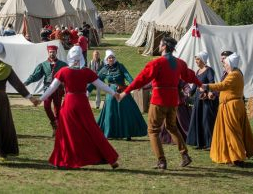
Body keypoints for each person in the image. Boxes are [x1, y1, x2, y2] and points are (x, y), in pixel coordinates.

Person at [119, 37, 202, 169]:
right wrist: (200, 85)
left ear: (163, 47)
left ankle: (161, 161)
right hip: (173, 101)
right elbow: (190, 76)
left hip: (159, 101)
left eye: (160, 44)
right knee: (172, 127)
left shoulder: (157, 63)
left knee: (153, 130)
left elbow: (141, 78)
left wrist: (126, 92)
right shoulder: (180, 63)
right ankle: (185, 155)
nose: (159, 45)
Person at [36, 46, 119, 169]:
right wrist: (114, 93)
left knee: (67, 133)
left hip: (69, 104)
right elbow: (101, 85)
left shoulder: (64, 71)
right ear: (81, 56)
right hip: (82, 104)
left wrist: (40, 99)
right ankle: (110, 159)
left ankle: (63, 160)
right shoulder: (86, 71)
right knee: (92, 130)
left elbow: (52, 88)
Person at [200, 53, 253, 167]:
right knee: (228, 132)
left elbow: (223, 85)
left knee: (232, 132)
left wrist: (207, 86)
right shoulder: (233, 73)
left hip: (232, 107)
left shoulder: (234, 75)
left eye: (226, 63)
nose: (225, 65)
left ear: (231, 64)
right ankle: (231, 156)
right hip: (228, 106)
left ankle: (237, 157)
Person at [88, 50, 147, 140]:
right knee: (110, 113)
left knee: (126, 113)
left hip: (123, 93)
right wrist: (87, 89)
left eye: (112, 57)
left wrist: (136, 85)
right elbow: (96, 80)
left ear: (114, 58)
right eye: (109, 58)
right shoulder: (104, 69)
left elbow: (128, 77)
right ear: (106, 59)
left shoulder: (120, 66)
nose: (111, 59)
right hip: (111, 94)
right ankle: (108, 133)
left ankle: (128, 133)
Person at [24, 45, 68, 136]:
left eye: (53, 52)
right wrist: (26, 82)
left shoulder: (62, 65)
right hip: (47, 89)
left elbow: (67, 77)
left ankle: (58, 129)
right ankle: (54, 123)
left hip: (58, 89)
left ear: (56, 52)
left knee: (57, 108)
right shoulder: (43, 65)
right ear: (48, 53)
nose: (52, 53)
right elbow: (35, 75)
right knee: (46, 106)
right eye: (50, 52)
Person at [186, 51, 218, 150]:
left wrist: (205, 90)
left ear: (203, 60)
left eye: (198, 59)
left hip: (206, 99)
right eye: (196, 59)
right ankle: (200, 143)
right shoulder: (197, 71)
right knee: (198, 119)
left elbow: (212, 83)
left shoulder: (209, 70)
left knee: (206, 120)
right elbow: (195, 84)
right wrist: (190, 93)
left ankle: (209, 143)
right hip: (197, 99)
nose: (196, 61)